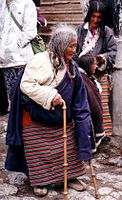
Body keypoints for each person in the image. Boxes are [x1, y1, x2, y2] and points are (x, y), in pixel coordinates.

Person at [5, 24, 92, 197]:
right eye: (71, 46)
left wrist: (85, 132)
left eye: (76, 45)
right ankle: (40, 181)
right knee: (39, 153)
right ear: (61, 44)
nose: (75, 50)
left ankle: (70, 177)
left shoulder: (72, 68)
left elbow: (80, 101)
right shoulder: (39, 61)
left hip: (62, 121)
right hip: (36, 120)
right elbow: (26, 85)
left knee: (68, 151)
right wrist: (50, 95)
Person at [76, 0, 117, 136]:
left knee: (101, 106)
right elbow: (74, 52)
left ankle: (103, 134)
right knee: (85, 104)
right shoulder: (81, 31)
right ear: (89, 15)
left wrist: (102, 59)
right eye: (93, 16)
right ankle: (88, 135)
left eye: (99, 17)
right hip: (82, 74)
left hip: (100, 73)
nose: (95, 20)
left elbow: (112, 52)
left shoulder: (106, 32)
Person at [0, 0, 37, 100]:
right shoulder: (2, 4)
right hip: (5, 61)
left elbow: (30, 31)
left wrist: (16, 45)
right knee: (12, 96)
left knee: (25, 96)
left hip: (22, 59)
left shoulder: (27, 3)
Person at [78, 53, 105, 152]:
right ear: (87, 66)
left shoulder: (88, 79)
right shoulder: (83, 80)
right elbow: (94, 104)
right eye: (94, 64)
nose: (96, 66)